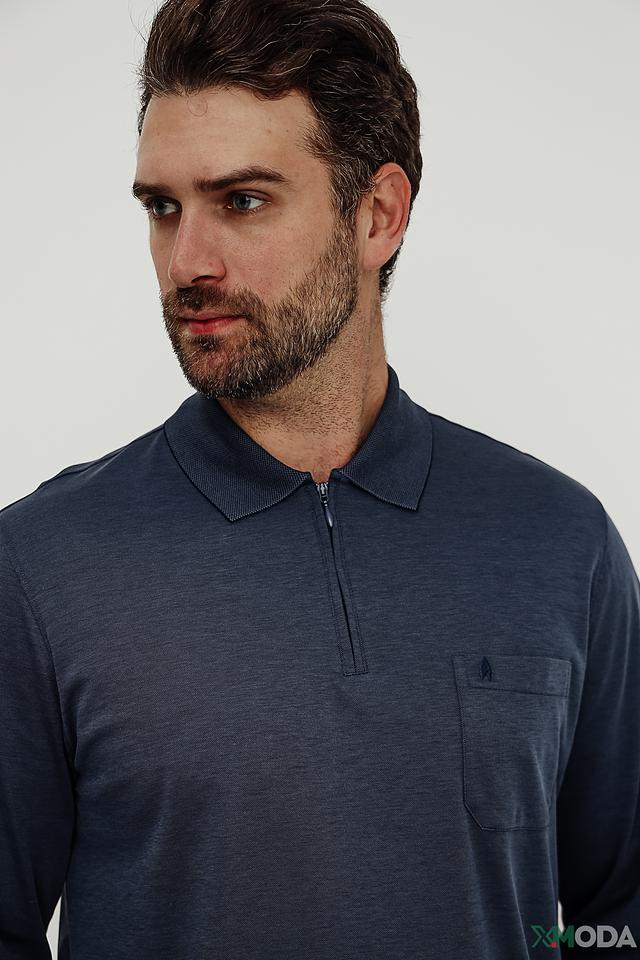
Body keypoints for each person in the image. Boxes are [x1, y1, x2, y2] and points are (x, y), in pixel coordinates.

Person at [1, 1, 638, 957]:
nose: (187, 262)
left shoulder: (562, 541)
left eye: (241, 201)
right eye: (163, 208)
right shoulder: (40, 565)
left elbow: (616, 911)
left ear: (378, 215)